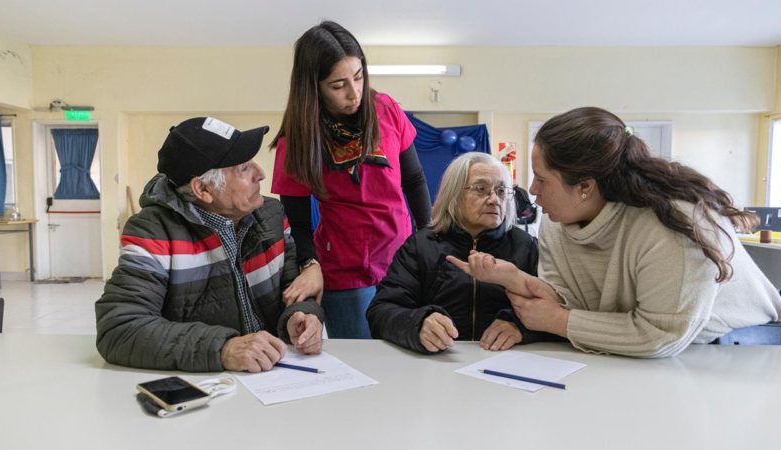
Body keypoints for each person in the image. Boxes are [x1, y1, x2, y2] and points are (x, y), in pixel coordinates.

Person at [449, 107, 781, 358]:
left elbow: (660, 333)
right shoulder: (555, 221)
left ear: (585, 187)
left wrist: (558, 322)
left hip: (742, 352)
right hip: (651, 352)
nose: (532, 190)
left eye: (542, 178)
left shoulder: (676, 224)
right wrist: (516, 279)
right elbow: (573, 301)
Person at [96, 117, 324, 372]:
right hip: (208, 387)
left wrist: (302, 315)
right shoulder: (153, 232)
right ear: (203, 189)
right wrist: (222, 349)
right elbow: (119, 329)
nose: (260, 173)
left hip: (274, 376)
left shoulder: (271, 215)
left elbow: (293, 288)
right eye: (244, 168)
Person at [270, 21, 432, 339]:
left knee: (407, 355)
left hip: (402, 262)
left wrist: (427, 238)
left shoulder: (385, 109)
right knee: (362, 363)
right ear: (313, 86)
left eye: (358, 77)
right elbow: (296, 221)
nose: (354, 93)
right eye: (338, 85)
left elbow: (414, 179)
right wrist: (308, 263)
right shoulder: (299, 138)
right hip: (345, 273)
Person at [367, 152, 546, 354]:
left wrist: (521, 328)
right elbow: (381, 312)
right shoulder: (421, 246)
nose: (494, 199)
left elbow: (559, 310)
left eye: (502, 191)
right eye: (481, 189)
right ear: (453, 194)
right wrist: (417, 324)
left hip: (506, 363)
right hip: (439, 363)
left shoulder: (526, 247)